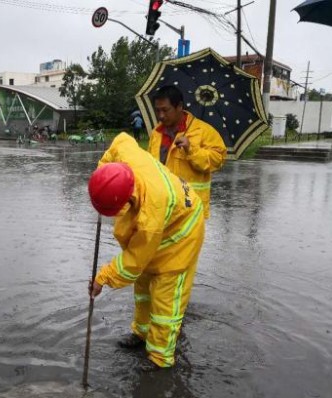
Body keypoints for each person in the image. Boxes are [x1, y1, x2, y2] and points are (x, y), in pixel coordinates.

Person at [88, 132, 205, 369]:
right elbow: (121, 139)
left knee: (165, 298)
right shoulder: (126, 154)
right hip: (166, 218)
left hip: (183, 233)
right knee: (142, 289)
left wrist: (102, 278)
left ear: (128, 200)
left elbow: (133, 263)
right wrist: (103, 172)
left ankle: (160, 358)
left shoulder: (150, 215)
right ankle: (141, 334)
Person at [147, 85, 227, 218]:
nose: (161, 115)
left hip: (190, 209)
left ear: (179, 106)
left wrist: (191, 149)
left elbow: (218, 160)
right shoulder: (156, 133)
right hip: (160, 207)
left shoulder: (203, 131)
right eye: (158, 110)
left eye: (165, 110)